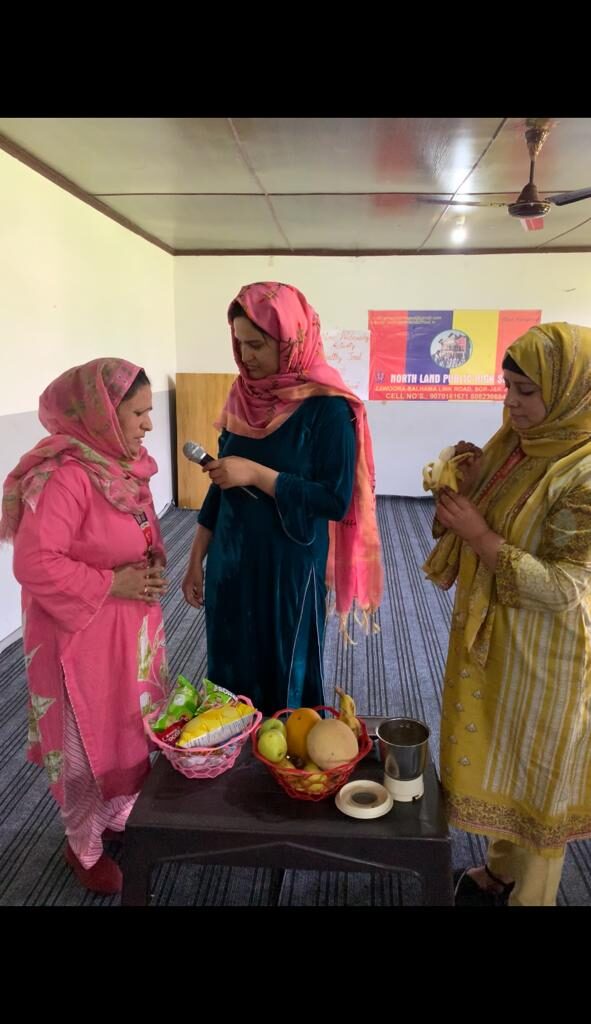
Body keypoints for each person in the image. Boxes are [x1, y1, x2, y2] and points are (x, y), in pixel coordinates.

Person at [423, 322, 591, 907]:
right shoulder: (519, 444)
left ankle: (531, 898)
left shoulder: (583, 470)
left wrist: (479, 534)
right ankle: (499, 874)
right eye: (508, 387)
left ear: (571, 391)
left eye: (527, 391)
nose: (512, 404)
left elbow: (567, 588)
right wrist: (471, 486)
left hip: (549, 652)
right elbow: (490, 516)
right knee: (503, 757)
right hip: (496, 637)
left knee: (539, 778)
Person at [1, 358, 170, 895]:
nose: (148, 425)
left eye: (148, 412)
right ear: (101, 414)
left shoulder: (122, 465)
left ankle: (116, 812)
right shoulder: (64, 475)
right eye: (138, 414)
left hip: (126, 630)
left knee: (127, 727)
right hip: (79, 638)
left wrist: (152, 555)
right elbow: (34, 563)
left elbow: (140, 526)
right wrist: (113, 583)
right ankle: (83, 845)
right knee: (84, 739)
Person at [182, 281, 383, 715]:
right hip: (232, 560)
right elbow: (220, 481)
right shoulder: (243, 396)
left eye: (256, 345)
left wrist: (258, 475)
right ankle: (232, 745)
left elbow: (335, 499)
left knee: (285, 670)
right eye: (239, 343)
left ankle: (284, 751)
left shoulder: (328, 408)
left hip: (288, 564)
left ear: (291, 340)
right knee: (231, 662)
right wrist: (197, 557)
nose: (245, 356)